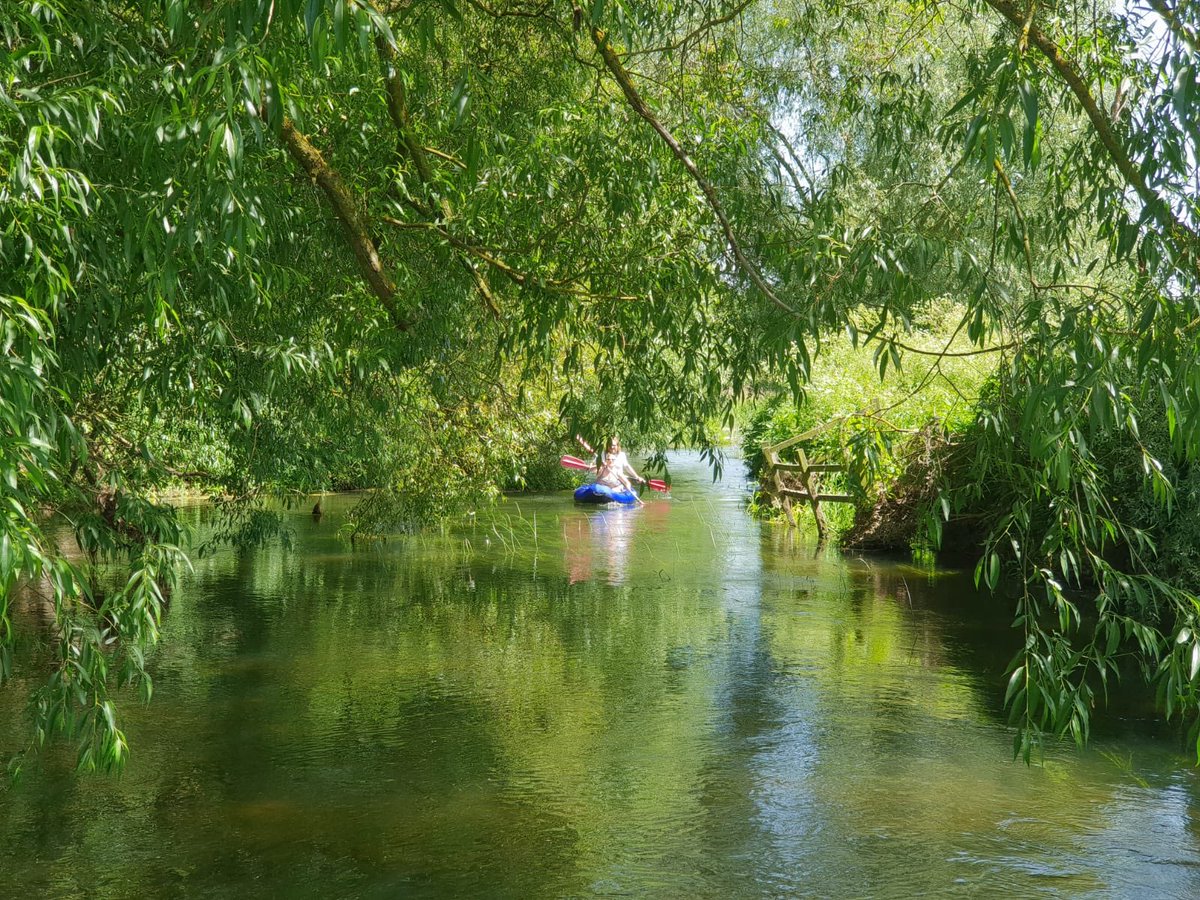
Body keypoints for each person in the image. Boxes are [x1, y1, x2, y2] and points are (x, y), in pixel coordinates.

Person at [595, 436, 646, 506]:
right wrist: (601, 465)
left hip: (618, 480)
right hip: (603, 482)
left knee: (625, 484)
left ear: (617, 445)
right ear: (607, 446)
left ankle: (617, 494)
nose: (612, 447)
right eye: (610, 445)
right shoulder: (603, 454)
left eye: (614, 445)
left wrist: (637, 477)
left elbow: (627, 467)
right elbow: (596, 469)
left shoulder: (621, 455)